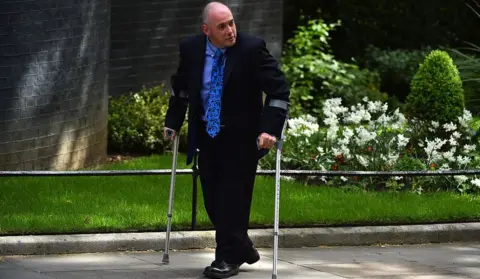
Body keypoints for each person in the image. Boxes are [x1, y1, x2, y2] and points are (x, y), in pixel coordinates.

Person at [163, 2, 290, 278]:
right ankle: (243, 247)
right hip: (207, 136)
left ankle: (225, 260)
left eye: (231, 23)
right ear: (206, 30)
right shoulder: (192, 48)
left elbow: (279, 91)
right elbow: (182, 89)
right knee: (212, 201)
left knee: (232, 199)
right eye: (222, 26)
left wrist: (269, 130)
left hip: (243, 139)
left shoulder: (251, 49)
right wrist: (173, 123)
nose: (230, 30)